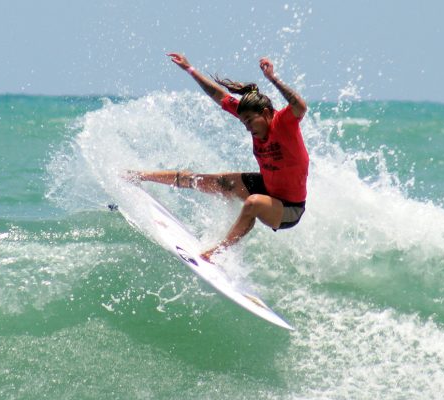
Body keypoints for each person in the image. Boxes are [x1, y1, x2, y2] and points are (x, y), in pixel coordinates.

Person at [128, 53, 309, 262]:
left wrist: (273, 79)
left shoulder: (284, 123)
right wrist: (190, 69)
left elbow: (300, 106)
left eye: (250, 121)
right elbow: (219, 95)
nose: (248, 127)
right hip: (266, 186)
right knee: (208, 180)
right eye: (244, 123)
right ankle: (140, 176)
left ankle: (217, 253)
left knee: (253, 204)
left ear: (267, 113)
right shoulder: (252, 118)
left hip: (289, 208)